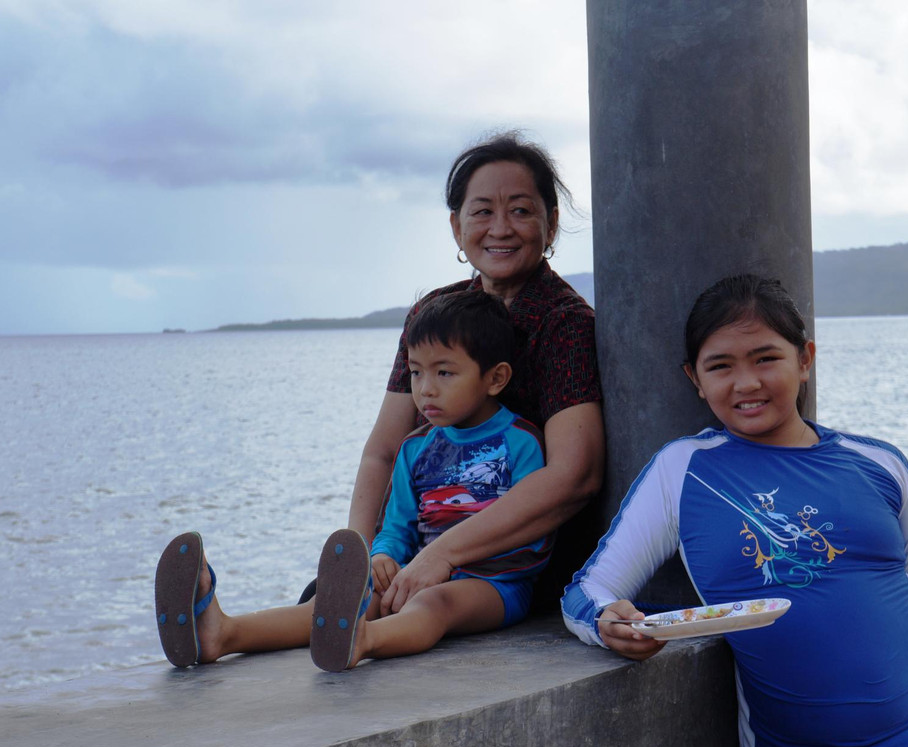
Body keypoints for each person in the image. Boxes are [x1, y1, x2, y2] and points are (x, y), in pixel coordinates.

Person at [561, 274, 908, 747]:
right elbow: (586, 591)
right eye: (720, 366)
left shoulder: (879, 463)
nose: (746, 383)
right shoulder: (683, 472)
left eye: (765, 358)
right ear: (695, 378)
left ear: (805, 359)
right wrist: (606, 623)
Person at [155, 131, 604, 668]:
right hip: (419, 549)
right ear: (457, 227)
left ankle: (356, 632)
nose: (501, 228)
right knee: (342, 601)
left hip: (507, 571)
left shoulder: (565, 324)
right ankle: (221, 633)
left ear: (551, 225)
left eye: (521, 211)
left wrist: (441, 556)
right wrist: (362, 562)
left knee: (422, 601)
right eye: (482, 211)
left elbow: (574, 476)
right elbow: (385, 452)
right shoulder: (434, 316)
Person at [309, 290, 549, 671]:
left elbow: (531, 534)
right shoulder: (415, 448)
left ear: (496, 378)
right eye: (417, 372)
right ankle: (226, 632)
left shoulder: (521, 442)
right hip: (417, 573)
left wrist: (446, 569)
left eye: (445, 372)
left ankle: (361, 640)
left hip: (495, 585)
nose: (425, 389)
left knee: (432, 604)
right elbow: (396, 526)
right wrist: (383, 555)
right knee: (354, 597)